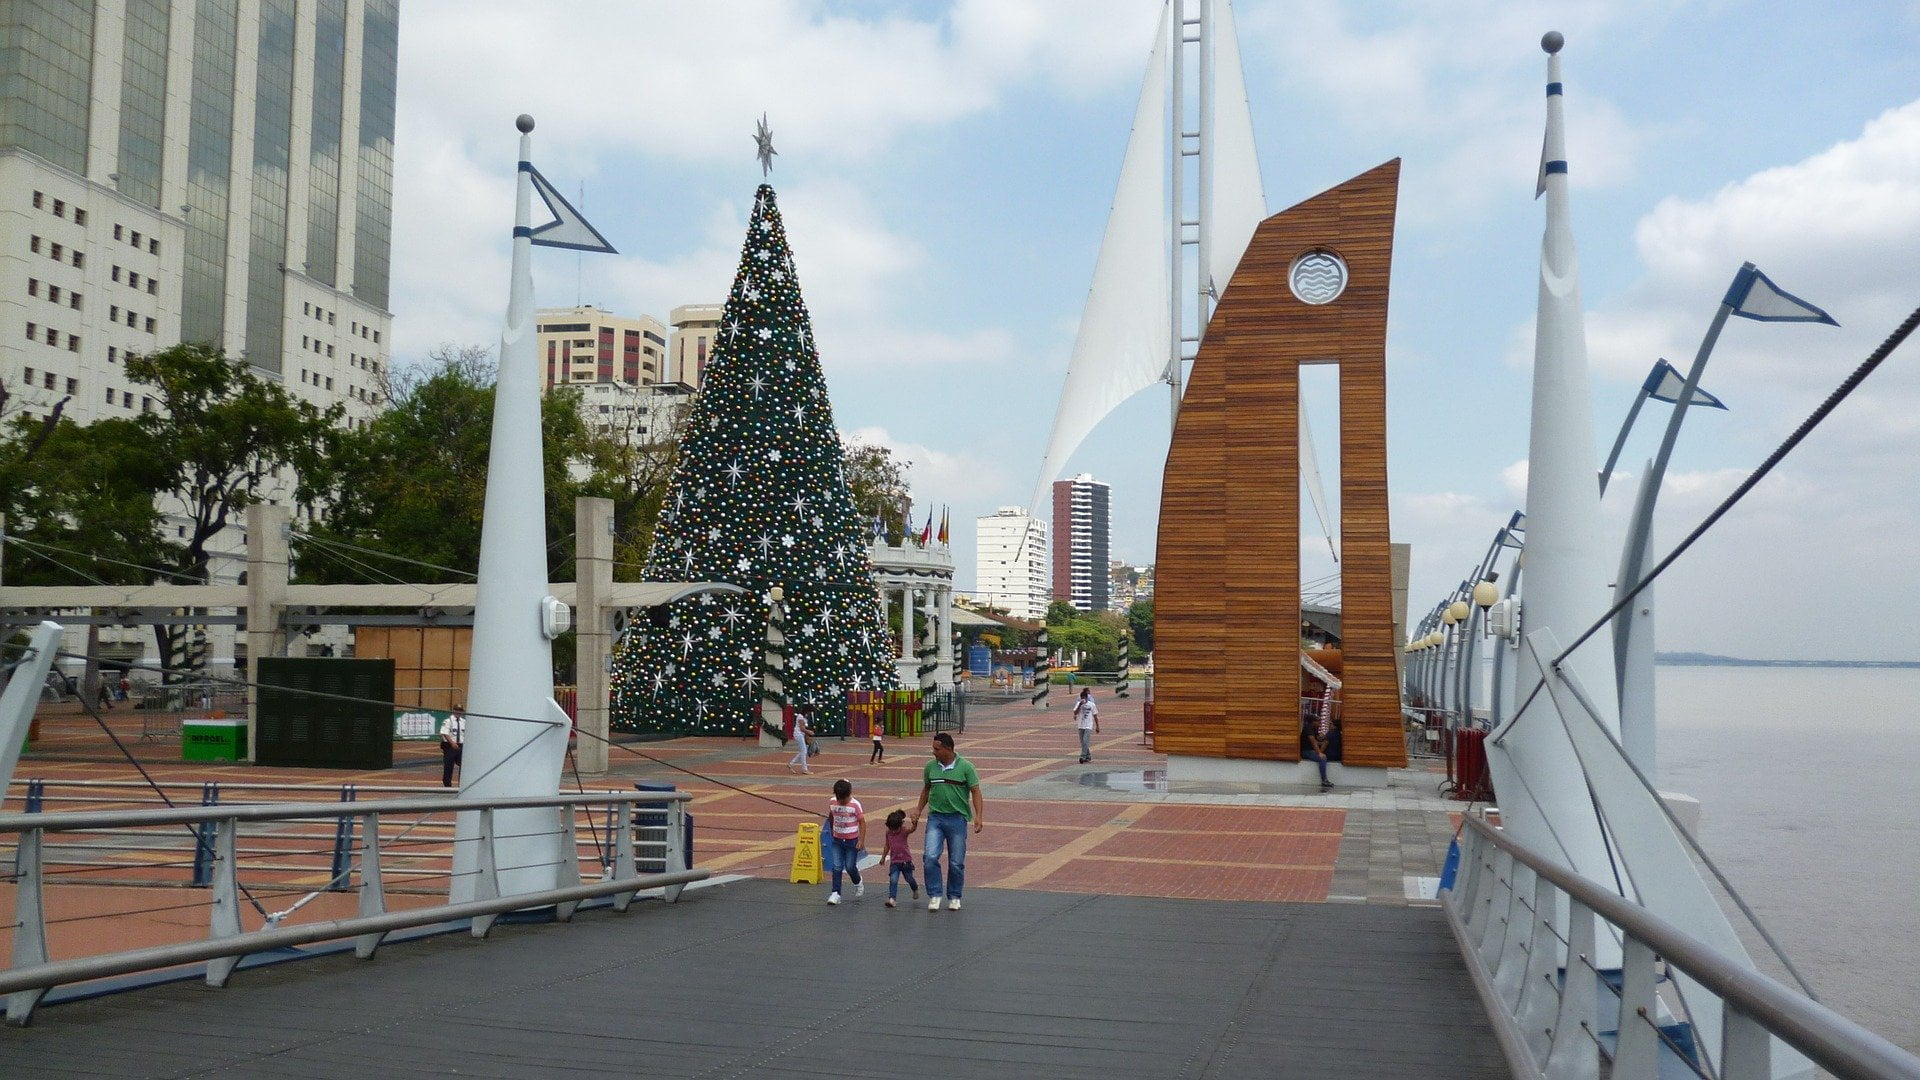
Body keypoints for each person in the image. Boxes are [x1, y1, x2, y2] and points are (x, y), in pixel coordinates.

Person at [910, 731, 983, 912]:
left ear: (948, 749)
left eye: (937, 749)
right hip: (936, 818)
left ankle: (954, 896)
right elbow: (926, 789)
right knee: (929, 856)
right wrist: (918, 809)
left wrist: (978, 816)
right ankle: (935, 894)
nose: (933, 752)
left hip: (957, 819)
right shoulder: (930, 767)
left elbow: (975, 791)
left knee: (956, 861)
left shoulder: (966, 767)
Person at [824, 778, 865, 905]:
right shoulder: (832, 802)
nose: (841, 801)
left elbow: (862, 823)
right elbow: (831, 815)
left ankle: (858, 882)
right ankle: (835, 893)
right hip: (837, 839)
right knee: (836, 866)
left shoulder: (855, 805)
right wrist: (831, 829)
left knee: (850, 867)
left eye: (844, 799)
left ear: (849, 795)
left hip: (852, 840)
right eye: (839, 799)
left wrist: (861, 840)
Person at [881, 809, 919, 908]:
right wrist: (883, 857)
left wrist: (915, 824)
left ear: (900, 825)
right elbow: (887, 845)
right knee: (893, 879)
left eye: (895, 829)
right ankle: (892, 898)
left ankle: (915, 889)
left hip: (906, 861)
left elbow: (912, 830)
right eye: (891, 828)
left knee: (909, 879)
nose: (893, 831)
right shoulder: (888, 833)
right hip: (894, 861)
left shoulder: (903, 831)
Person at [1301, 711, 1333, 790]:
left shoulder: (1314, 728)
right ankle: (1324, 780)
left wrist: (1324, 736)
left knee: (1324, 751)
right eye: (1318, 721)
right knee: (1323, 758)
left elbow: (1318, 739)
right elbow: (1313, 742)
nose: (1320, 722)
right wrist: (1319, 753)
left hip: (1310, 749)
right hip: (1306, 751)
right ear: (1313, 721)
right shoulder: (1308, 728)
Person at [1072, 687, 1100, 763]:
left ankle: (1082, 756)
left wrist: (1097, 726)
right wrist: (1080, 705)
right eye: (1082, 698)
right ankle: (1088, 755)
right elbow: (1075, 712)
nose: (1083, 699)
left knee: (1085, 740)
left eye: (1084, 698)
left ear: (1087, 698)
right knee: (1083, 742)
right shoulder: (1079, 704)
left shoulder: (1092, 705)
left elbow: (1095, 716)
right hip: (1080, 725)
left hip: (1088, 725)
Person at [439, 707, 465, 788]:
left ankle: (462, 784)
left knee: (463, 765)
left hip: (460, 745)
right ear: (453, 711)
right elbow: (444, 733)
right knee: (448, 766)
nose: (458, 712)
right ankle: (447, 785)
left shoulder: (464, 722)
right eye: (457, 710)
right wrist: (452, 743)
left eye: (460, 711)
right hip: (449, 746)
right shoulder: (448, 721)